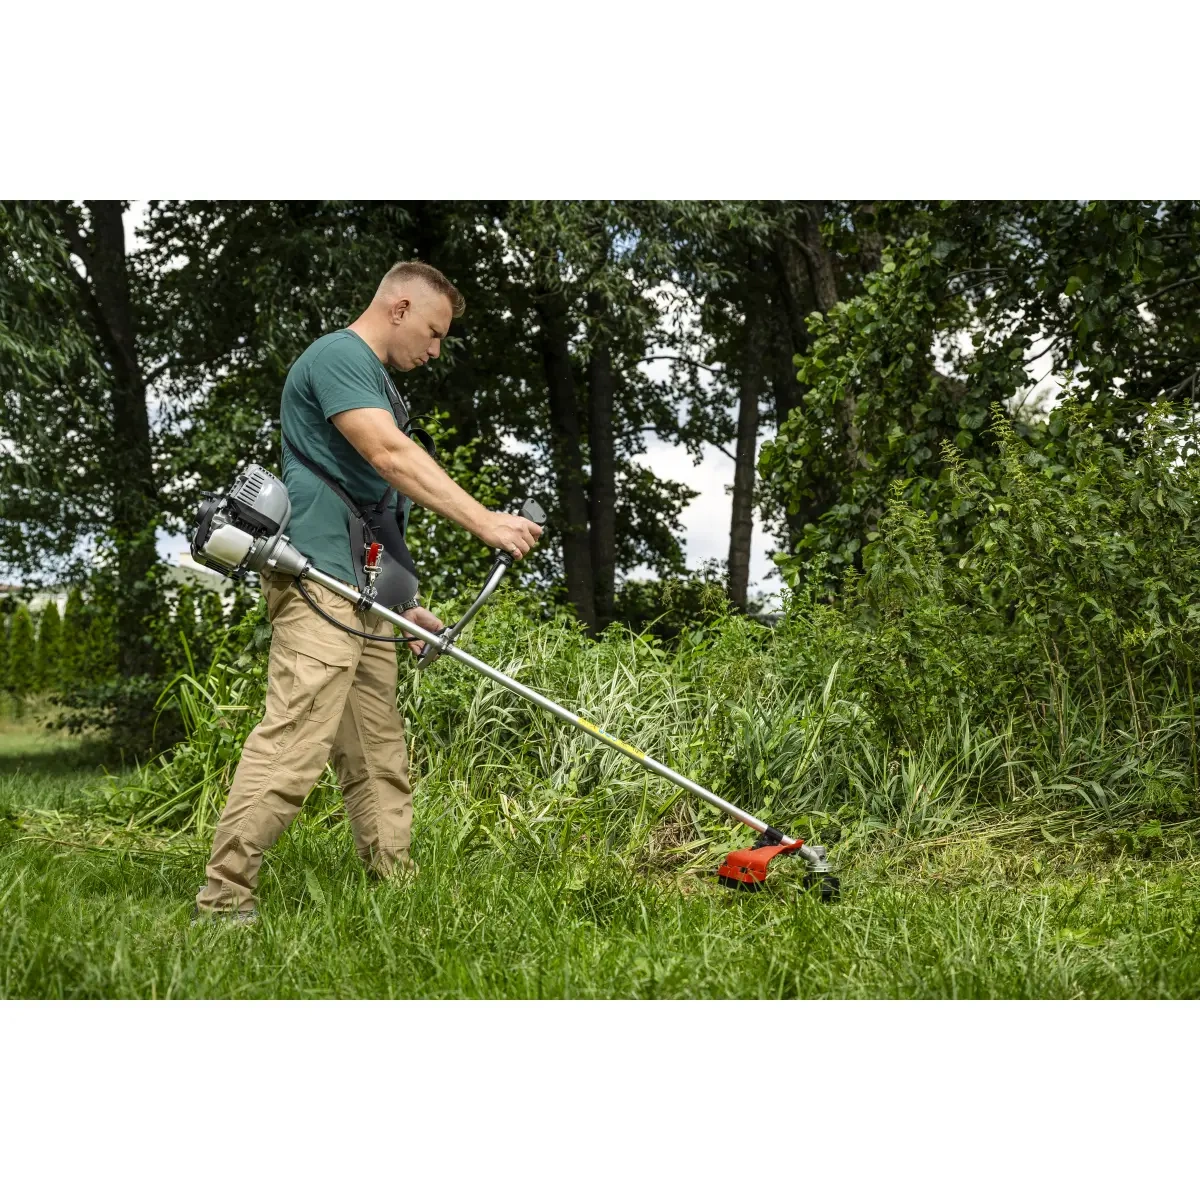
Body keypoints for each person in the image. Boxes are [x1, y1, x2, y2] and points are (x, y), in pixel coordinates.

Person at [193, 261, 543, 921]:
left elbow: (371, 510)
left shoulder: (376, 381)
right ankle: (224, 899)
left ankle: (397, 889)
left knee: (377, 752)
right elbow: (389, 455)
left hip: (363, 598)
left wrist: (401, 603)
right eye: (434, 333)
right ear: (400, 308)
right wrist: (485, 521)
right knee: (293, 744)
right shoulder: (338, 357)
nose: (435, 351)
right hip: (318, 587)